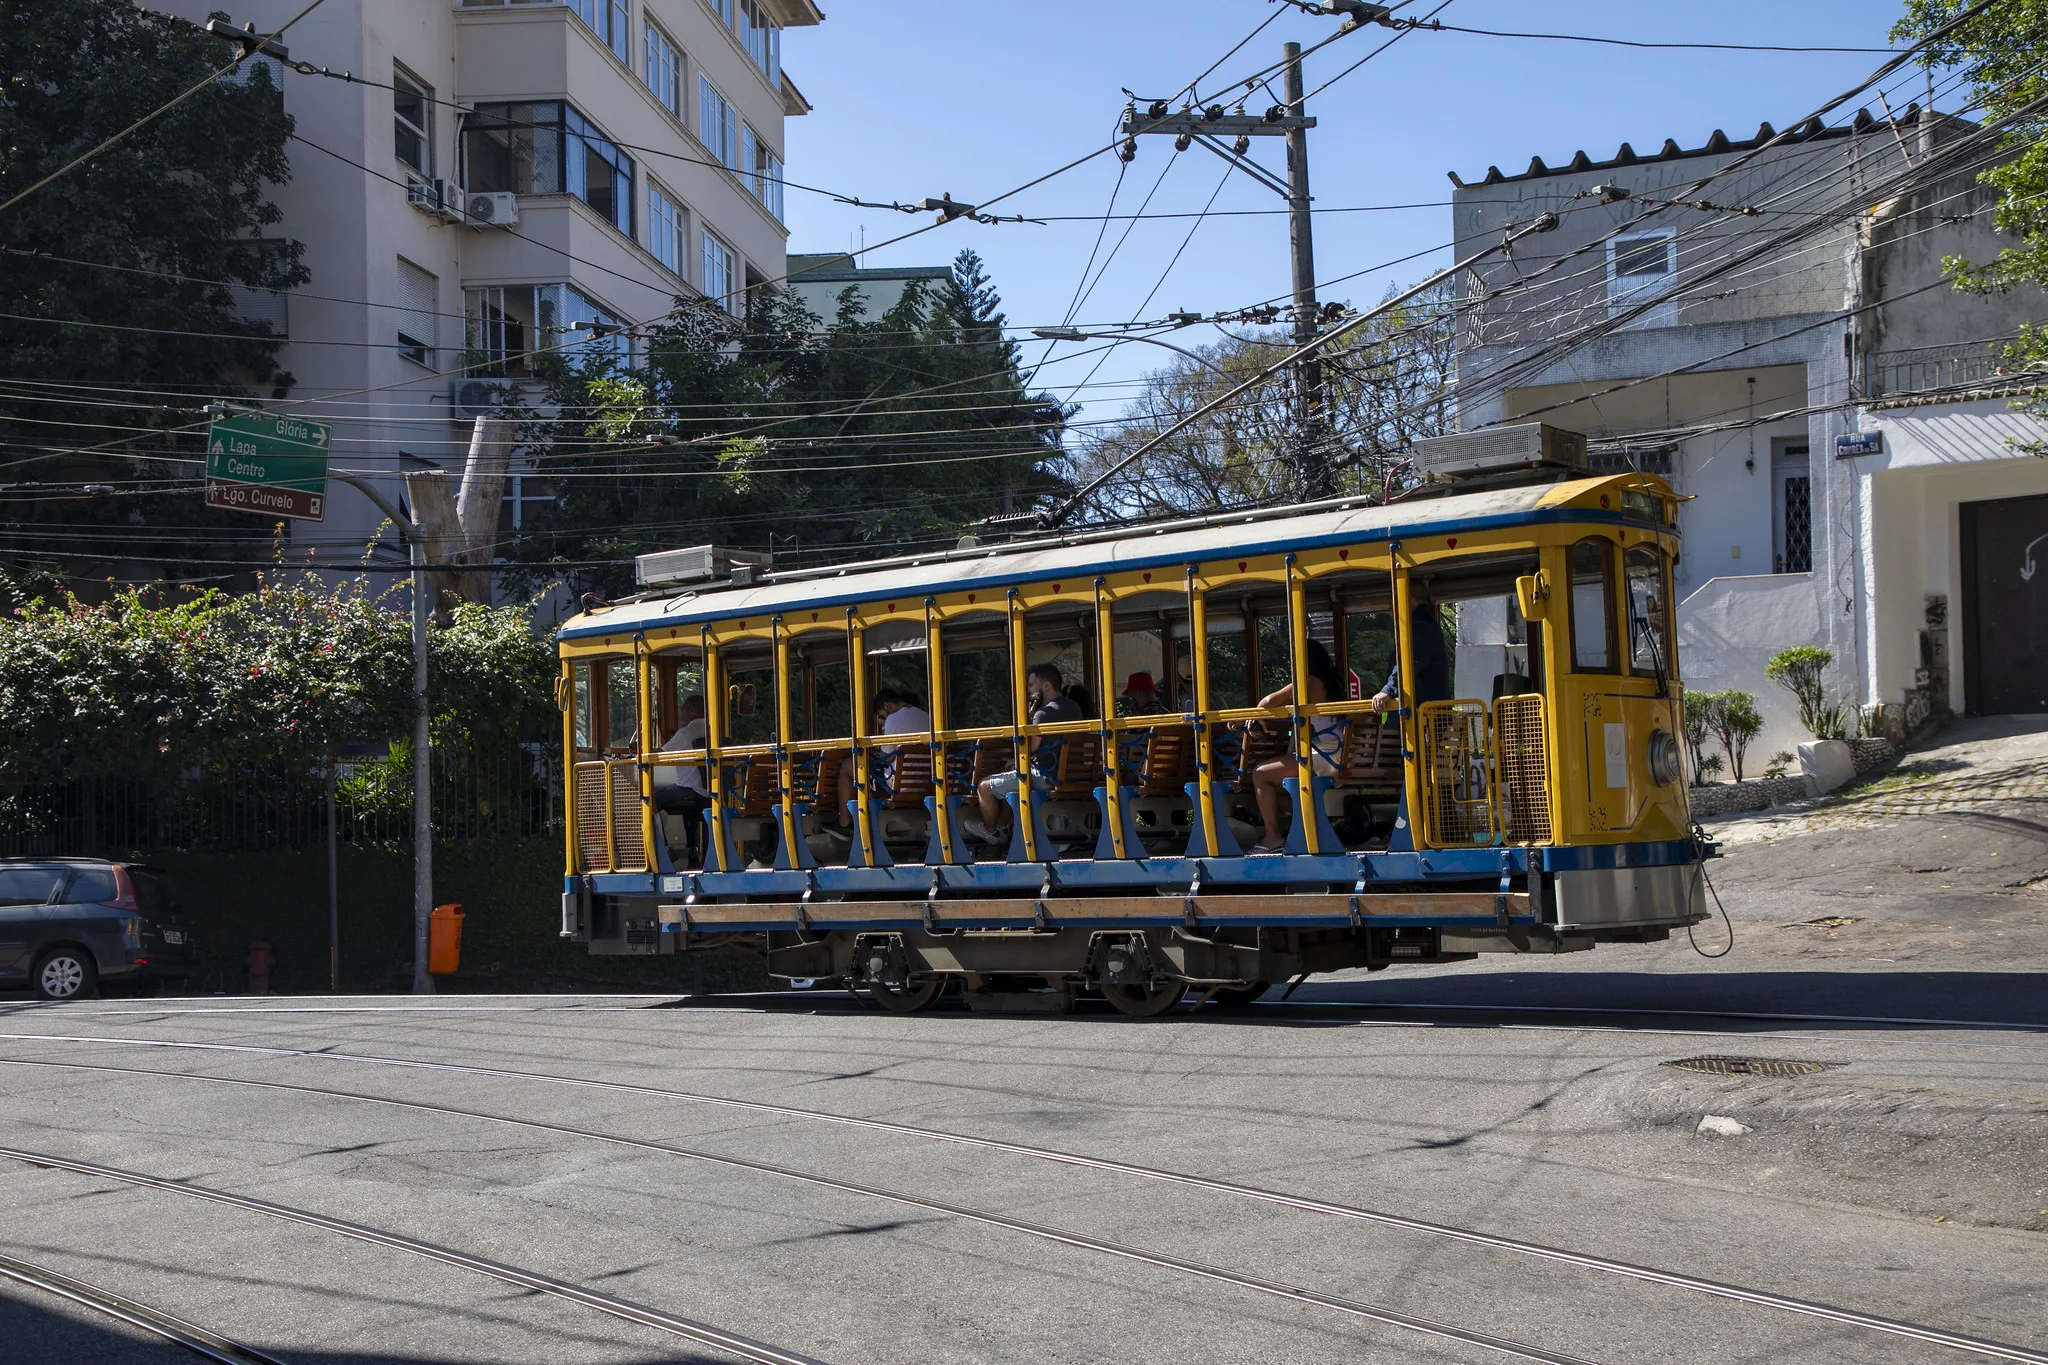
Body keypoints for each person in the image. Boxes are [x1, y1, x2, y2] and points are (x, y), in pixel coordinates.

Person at [1246, 639, 1348, 855]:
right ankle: (1308, 828)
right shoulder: (1331, 683)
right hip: (1338, 754)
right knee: (1283, 772)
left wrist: (1254, 716)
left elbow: (1269, 701)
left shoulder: (1307, 682)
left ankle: (1272, 837)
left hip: (1322, 758)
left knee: (1260, 774)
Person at [961, 663, 1080, 846]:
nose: (1029, 691)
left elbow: (1027, 749)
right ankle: (1001, 825)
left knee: (985, 786)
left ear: (1046, 685)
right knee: (1014, 780)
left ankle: (990, 831)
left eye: (1032, 685)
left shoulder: (1043, 714)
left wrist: (1029, 715)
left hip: (1044, 776)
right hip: (1070, 776)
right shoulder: (1074, 708)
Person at [833, 689, 931, 833]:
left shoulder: (894, 718)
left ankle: (844, 823)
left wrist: (871, 755)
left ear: (887, 706)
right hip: (925, 784)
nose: (883, 720)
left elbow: (888, 757)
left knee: (848, 766)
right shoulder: (926, 716)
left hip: (899, 785)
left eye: (881, 716)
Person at [1368, 598, 1452, 714]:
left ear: (1409, 599)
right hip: (1424, 710)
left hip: (1422, 712)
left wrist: (1388, 691)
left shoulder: (1421, 628)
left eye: (1393, 604)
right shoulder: (1421, 626)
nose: (1391, 611)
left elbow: (1409, 663)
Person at [654, 694, 709, 861]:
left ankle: (661, 849)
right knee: (689, 806)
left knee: (650, 799)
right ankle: (694, 851)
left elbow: (659, 755)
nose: (680, 713)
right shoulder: (713, 729)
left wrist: (638, 751)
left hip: (691, 790)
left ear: (692, 711)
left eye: (682, 709)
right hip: (710, 791)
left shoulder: (685, 733)